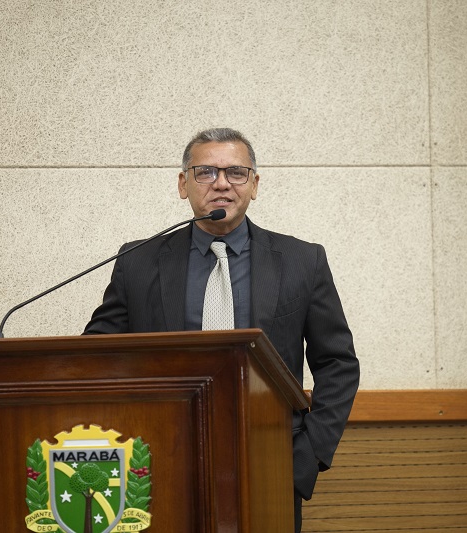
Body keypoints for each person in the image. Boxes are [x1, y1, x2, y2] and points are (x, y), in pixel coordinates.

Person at [84, 127, 360, 532]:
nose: (222, 184)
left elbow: (337, 364)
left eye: (236, 173)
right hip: (160, 459)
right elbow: (97, 357)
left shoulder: (302, 261)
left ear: (254, 185)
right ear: (183, 184)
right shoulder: (139, 261)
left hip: (269, 459)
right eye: (205, 172)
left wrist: (308, 453)